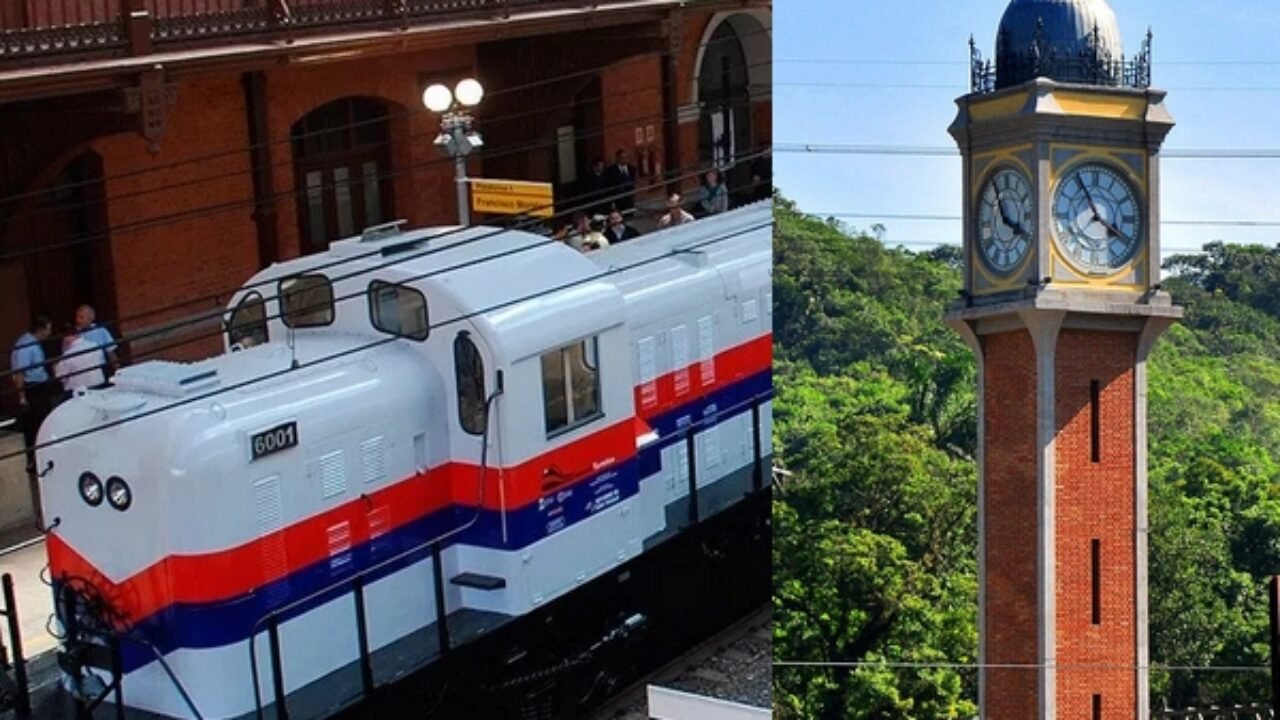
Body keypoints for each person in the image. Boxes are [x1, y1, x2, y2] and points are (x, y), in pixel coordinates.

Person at [11, 316, 53, 526]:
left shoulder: (32, 343)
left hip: (40, 387)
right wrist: (22, 397)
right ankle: (33, 459)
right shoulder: (25, 346)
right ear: (41, 329)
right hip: (32, 389)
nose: (50, 333)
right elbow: (19, 373)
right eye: (48, 329)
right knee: (35, 426)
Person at [55, 329, 106, 399]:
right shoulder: (95, 345)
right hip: (100, 385)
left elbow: (61, 377)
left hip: (79, 393)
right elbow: (102, 362)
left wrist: (63, 351)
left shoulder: (68, 354)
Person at [74, 304, 117, 380]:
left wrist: (117, 368)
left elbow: (110, 351)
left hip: (100, 367)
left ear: (91, 317)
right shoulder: (73, 334)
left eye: (81, 317)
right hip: (82, 371)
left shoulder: (101, 330)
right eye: (77, 317)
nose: (78, 320)